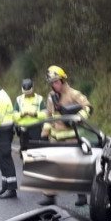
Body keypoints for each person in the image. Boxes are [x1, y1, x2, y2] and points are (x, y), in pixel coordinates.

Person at [38, 65, 91, 207]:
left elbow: (88, 107)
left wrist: (78, 118)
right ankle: (49, 196)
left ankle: (81, 195)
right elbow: (49, 116)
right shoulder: (50, 97)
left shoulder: (73, 94)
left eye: (56, 81)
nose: (54, 85)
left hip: (71, 138)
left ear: (62, 80)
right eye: (52, 83)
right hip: (55, 139)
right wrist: (45, 132)